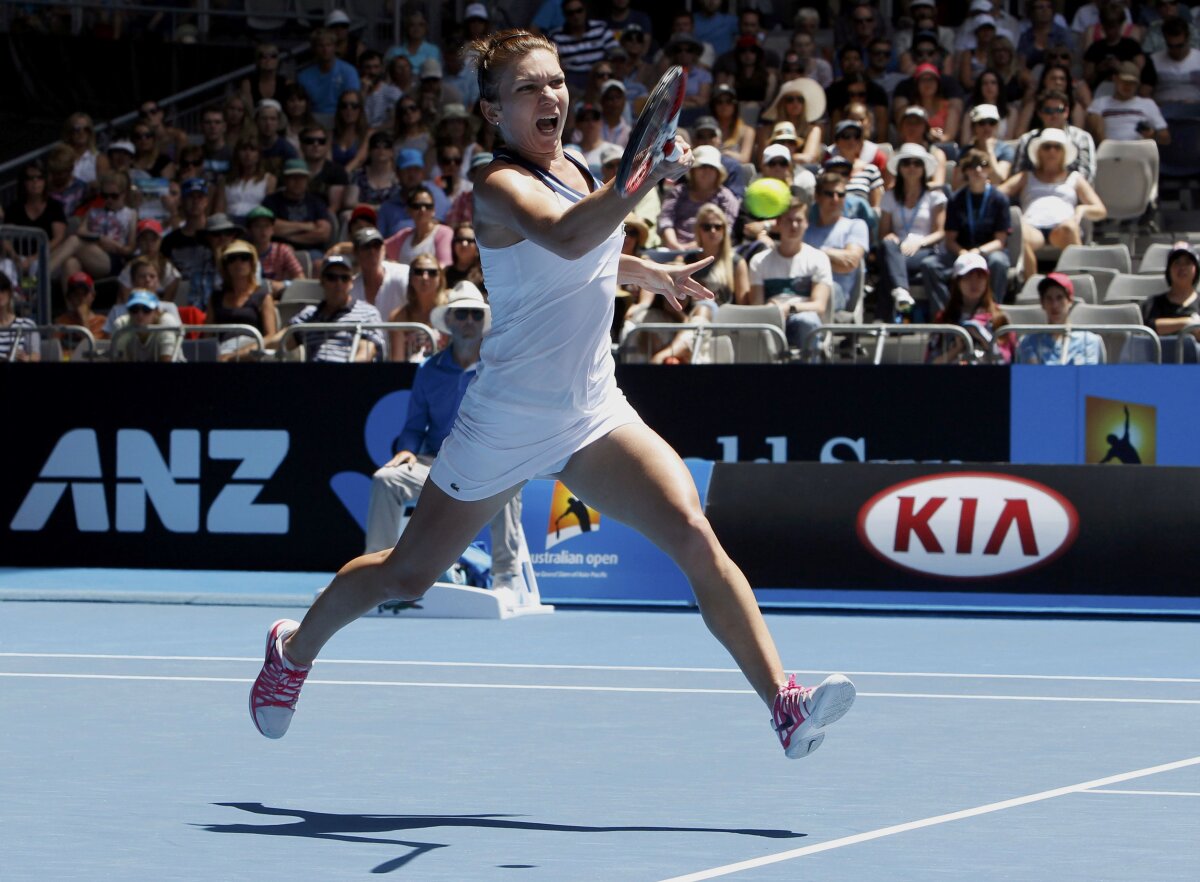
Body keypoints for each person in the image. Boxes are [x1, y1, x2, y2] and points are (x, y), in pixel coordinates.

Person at [249, 30, 856, 759]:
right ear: (494, 111)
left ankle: (784, 705)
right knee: (407, 572)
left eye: (557, 81)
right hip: (505, 418)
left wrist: (648, 273)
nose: (551, 96)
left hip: (592, 411)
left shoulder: (576, 166)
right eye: (529, 87)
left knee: (694, 535)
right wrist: (637, 182)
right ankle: (292, 652)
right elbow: (568, 238)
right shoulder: (496, 186)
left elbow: (588, 253)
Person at [366, 281, 527, 596]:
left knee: (510, 480)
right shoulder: (428, 370)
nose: (468, 321)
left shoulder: (502, 369)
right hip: (437, 466)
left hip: (488, 466)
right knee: (385, 479)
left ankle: (505, 579)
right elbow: (414, 426)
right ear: (450, 320)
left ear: (484, 323)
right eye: (461, 314)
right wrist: (407, 451)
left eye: (475, 315)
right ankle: (374, 578)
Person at [999, 128, 1107, 280]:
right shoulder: (1025, 176)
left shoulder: (1075, 178)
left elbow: (1100, 210)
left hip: (1062, 228)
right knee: (1018, 231)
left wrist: (1082, 209)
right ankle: (1031, 284)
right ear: (1039, 151)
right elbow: (997, 194)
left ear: (1063, 152)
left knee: (1070, 228)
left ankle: (1075, 282)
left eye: (1057, 147)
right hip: (1032, 228)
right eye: (1047, 146)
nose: (1052, 151)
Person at [923, 148, 1013, 313]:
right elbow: (950, 239)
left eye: (983, 165)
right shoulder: (956, 199)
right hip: (961, 253)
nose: (978, 170)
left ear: (988, 170)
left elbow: (1000, 241)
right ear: (965, 171)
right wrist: (963, 253)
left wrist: (978, 252)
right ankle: (947, 314)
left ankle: (992, 312)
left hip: (987, 252)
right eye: (972, 166)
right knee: (930, 265)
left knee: (999, 262)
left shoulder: (1000, 199)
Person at [748, 193, 833, 349]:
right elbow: (757, 305)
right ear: (778, 223)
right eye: (788, 220)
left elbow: (819, 305)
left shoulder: (819, 258)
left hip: (803, 320)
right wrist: (772, 310)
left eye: (798, 220)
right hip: (772, 321)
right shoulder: (759, 261)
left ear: (807, 223)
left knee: (807, 321)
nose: (794, 226)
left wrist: (788, 308)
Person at [270, 253, 384, 361]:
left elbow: (366, 352)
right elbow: (281, 341)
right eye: (332, 277)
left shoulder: (367, 313)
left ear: (351, 282)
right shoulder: (309, 315)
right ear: (322, 281)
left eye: (344, 278)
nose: (338, 283)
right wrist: (254, 347)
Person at [878, 143, 947, 318]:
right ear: (899, 168)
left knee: (888, 265)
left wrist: (919, 242)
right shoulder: (890, 196)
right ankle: (901, 291)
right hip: (898, 248)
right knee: (887, 246)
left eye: (917, 163)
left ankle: (886, 315)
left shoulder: (935, 196)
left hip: (925, 248)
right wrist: (890, 236)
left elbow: (940, 232)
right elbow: (884, 231)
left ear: (923, 168)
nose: (911, 167)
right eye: (906, 163)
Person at [926, 252, 1014, 364]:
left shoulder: (1000, 317)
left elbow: (1007, 360)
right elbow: (930, 363)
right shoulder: (944, 318)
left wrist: (983, 337)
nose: (974, 283)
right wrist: (956, 349)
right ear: (957, 282)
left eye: (980, 277)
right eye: (968, 277)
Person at [805, 170, 870, 315]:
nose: (835, 199)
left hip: (836, 293)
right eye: (829, 194)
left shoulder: (855, 225)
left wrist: (812, 254)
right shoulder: (805, 230)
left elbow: (849, 262)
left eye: (841, 194)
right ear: (817, 196)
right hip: (802, 288)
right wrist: (833, 259)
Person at [657, 145, 740, 250]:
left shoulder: (726, 197)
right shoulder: (678, 192)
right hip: (673, 248)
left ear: (718, 172)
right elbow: (666, 219)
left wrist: (695, 246)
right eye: (702, 166)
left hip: (711, 250)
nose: (706, 171)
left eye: (711, 168)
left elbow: (726, 229)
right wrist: (674, 244)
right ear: (693, 171)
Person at [1015, 273, 1103, 364]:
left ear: (1070, 301)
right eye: (1049, 298)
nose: (1054, 305)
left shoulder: (1088, 341)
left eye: (1060, 298)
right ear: (1042, 303)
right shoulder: (1028, 343)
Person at [1013, 88, 1098, 182]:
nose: (1054, 115)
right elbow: (1017, 174)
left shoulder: (1081, 138)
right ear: (1040, 113)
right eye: (1048, 110)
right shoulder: (1027, 139)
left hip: (1071, 193)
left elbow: (1087, 176)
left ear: (1066, 112)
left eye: (1059, 110)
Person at [162, 177, 217, 309]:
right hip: (181, 300)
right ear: (182, 201)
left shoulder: (216, 235)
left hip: (212, 297)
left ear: (206, 201)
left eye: (200, 197)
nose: (195, 202)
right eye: (190, 197)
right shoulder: (170, 241)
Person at [262, 159, 334, 260]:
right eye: (293, 177)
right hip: (279, 250)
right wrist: (307, 226)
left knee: (319, 264)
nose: (297, 182)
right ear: (285, 179)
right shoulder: (271, 201)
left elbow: (323, 233)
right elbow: (271, 227)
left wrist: (288, 236)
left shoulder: (316, 201)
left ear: (307, 180)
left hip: (312, 251)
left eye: (301, 178)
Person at [1085, 61, 1171, 144]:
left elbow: (1166, 138)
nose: (1127, 86)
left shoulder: (1147, 104)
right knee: (1094, 116)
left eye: (1132, 83)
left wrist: (1153, 134)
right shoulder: (1100, 103)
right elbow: (1093, 130)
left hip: (1138, 150)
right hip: (1109, 149)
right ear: (1115, 79)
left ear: (1137, 84)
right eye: (1124, 81)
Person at [1141, 242, 1200, 355]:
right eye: (1177, 263)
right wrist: (1187, 323)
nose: (1182, 268)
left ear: (1196, 268)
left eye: (1187, 263)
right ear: (1169, 269)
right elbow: (1151, 327)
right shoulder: (1154, 303)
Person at [388, 251, 447, 361]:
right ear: (410, 278)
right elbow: (398, 361)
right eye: (419, 272)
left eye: (432, 272)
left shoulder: (451, 310)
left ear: (440, 278)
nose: (425, 277)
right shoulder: (398, 317)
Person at [297, 27, 362, 120]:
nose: (325, 49)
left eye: (329, 45)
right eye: (320, 46)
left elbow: (354, 101)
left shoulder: (349, 71)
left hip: (342, 118)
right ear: (313, 48)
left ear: (335, 47)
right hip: (313, 119)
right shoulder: (303, 76)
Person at [116, 219, 181, 303]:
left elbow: (168, 302)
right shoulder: (129, 268)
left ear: (160, 241)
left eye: (153, 240)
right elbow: (126, 300)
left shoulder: (169, 268)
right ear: (138, 242)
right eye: (144, 239)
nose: (149, 244)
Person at [109, 288, 183, 363]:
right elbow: (120, 360)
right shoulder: (121, 325)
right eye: (134, 309)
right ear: (128, 311)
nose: (140, 315)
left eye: (146, 309)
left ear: (156, 311)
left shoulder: (167, 323)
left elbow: (167, 360)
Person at [215, 139, 276, 226]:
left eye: (252, 150)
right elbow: (219, 210)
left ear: (259, 154)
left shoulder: (269, 179)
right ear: (237, 153)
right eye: (244, 149)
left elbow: (268, 211)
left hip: (255, 224)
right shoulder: (225, 180)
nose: (248, 154)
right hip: (229, 223)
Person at [244, 206, 304, 293]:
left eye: (267, 226)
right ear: (250, 230)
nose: (263, 231)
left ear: (272, 229)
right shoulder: (244, 253)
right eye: (257, 226)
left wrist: (284, 284)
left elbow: (301, 279)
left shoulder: (282, 250)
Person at [0, 271, 40, 362]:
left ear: (9, 293)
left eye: (3, 289)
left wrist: (25, 358)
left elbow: (36, 356)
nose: (0, 294)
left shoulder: (28, 324)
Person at [444, 222, 483, 289]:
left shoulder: (487, 275)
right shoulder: (444, 274)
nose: (464, 244)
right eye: (459, 240)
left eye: (470, 240)